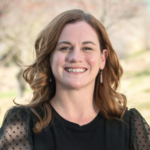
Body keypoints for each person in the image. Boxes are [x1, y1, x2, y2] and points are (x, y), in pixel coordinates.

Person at [0, 9, 150, 150]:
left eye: (87, 48)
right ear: (49, 58)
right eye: (64, 47)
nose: (75, 57)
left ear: (102, 59)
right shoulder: (21, 124)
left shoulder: (130, 125)